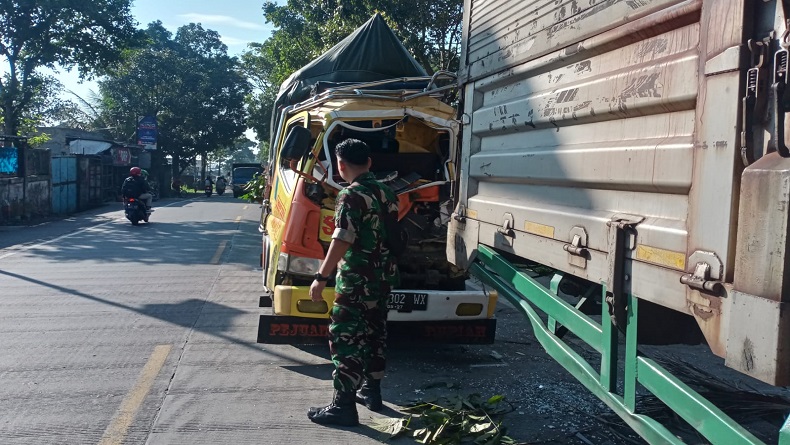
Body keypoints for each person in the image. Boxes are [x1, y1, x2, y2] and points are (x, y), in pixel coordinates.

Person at [307, 138, 399, 427]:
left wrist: (321, 277)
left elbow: (342, 239)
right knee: (375, 333)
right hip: (383, 279)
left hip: (357, 281)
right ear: (369, 162)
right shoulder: (387, 192)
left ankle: (343, 406)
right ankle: (372, 392)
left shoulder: (351, 195)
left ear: (341, 165)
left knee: (345, 337)